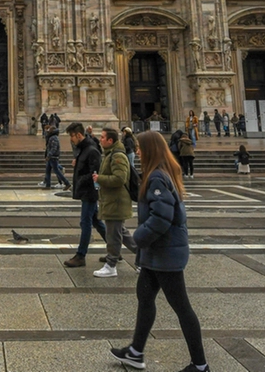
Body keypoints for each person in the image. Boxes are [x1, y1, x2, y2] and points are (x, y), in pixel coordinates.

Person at [109, 130, 208, 372]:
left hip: (165, 252)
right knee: (144, 297)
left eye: (140, 148)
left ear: (150, 150)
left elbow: (162, 218)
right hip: (157, 253)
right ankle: (135, 352)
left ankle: (201, 365)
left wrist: (138, 239)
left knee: (182, 307)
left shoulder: (157, 178)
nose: (138, 151)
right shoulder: (159, 174)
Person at [94, 127, 136, 277]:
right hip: (112, 200)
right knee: (122, 233)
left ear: (110, 140)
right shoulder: (109, 154)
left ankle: (111, 264)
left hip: (117, 201)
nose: (100, 139)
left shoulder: (118, 156)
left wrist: (100, 179)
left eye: (103, 137)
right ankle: (143, 257)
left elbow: (120, 179)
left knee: (114, 234)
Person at [64, 122, 103, 269]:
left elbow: (96, 172)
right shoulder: (84, 149)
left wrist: (80, 178)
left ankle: (81, 255)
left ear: (79, 135)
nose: (71, 140)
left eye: (72, 136)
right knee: (97, 222)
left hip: (90, 192)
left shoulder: (91, 150)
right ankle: (115, 249)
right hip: (87, 191)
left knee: (85, 222)